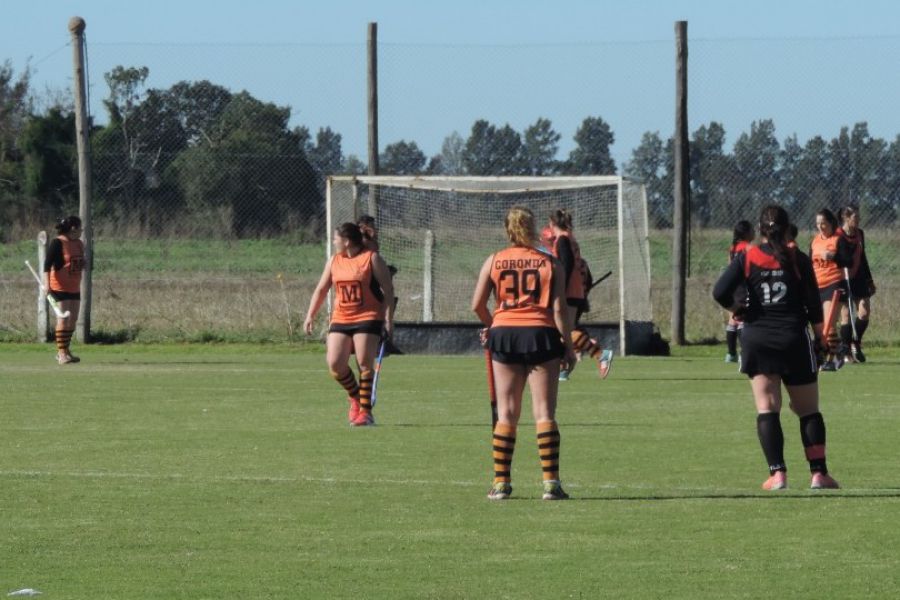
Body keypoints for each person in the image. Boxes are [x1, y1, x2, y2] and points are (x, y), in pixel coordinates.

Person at [713, 205, 839, 490]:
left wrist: (737, 309)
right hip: (794, 339)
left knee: (767, 409)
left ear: (761, 230)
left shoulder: (748, 257)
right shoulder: (798, 258)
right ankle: (819, 474)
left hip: (758, 341)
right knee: (808, 410)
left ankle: (777, 474)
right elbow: (813, 304)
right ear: (786, 228)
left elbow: (719, 291)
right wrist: (821, 336)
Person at [472, 206, 577, 501]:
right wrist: (568, 346)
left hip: (504, 336)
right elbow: (558, 310)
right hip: (541, 335)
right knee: (544, 412)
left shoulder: (493, 260)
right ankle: (551, 484)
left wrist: (495, 325)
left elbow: (477, 305)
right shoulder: (550, 262)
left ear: (507, 230)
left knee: (506, 413)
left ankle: (501, 484)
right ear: (532, 229)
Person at [303, 223, 395, 426]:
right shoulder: (334, 261)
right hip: (341, 318)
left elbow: (388, 290)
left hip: (368, 316)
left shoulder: (371, 259)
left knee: (364, 363)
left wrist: (389, 319)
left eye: (336, 239)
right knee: (335, 364)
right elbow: (321, 289)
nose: (333, 242)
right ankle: (355, 396)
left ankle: (366, 412)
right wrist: (310, 315)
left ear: (346, 241)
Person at [546, 209, 613, 380]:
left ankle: (599, 353)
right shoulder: (571, 239)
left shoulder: (562, 240)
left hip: (568, 291)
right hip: (575, 291)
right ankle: (564, 370)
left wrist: (559, 289)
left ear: (553, 224)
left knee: (565, 331)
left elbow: (566, 266)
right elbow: (581, 265)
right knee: (564, 331)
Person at [810, 208, 851, 370]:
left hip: (834, 284)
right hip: (817, 285)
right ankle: (840, 348)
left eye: (823, 223)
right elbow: (809, 262)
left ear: (831, 223)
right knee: (821, 326)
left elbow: (848, 260)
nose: (820, 227)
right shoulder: (815, 241)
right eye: (818, 224)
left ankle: (831, 359)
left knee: (829, 323)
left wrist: (834, 257)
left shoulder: (838, 239)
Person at [43, 216, 85, 365]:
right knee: (63, 318)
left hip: (74, 286)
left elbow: (81, 262)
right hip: (58, 287)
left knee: (72, 320)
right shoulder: (57, 243)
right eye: (80, 228)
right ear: (73, 229)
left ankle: (66, 351)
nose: (81, 230)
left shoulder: (79, 243)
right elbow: (47, 265)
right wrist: (47, 285)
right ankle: (61, 354)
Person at [837, 206, 875, 363]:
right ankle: (845, 351)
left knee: (864, 311)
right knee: (845, 313)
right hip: (842, 277)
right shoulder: (838, 235)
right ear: (846, 218)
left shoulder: (860, 234)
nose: (858, 221)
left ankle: (855, 342)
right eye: (855, 218)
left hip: (858, 276)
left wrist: (869, 279)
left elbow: (863, 256)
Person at [724, 220, 755, 363]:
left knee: (733, 318)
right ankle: (745, 353)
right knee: (743, 318)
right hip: (744, 285)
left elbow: (730, 266)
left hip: (733, 285)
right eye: (752, 230)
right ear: (747, 233)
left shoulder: (733, 248)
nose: (754, 232)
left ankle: (731, 354)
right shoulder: (749, 248)